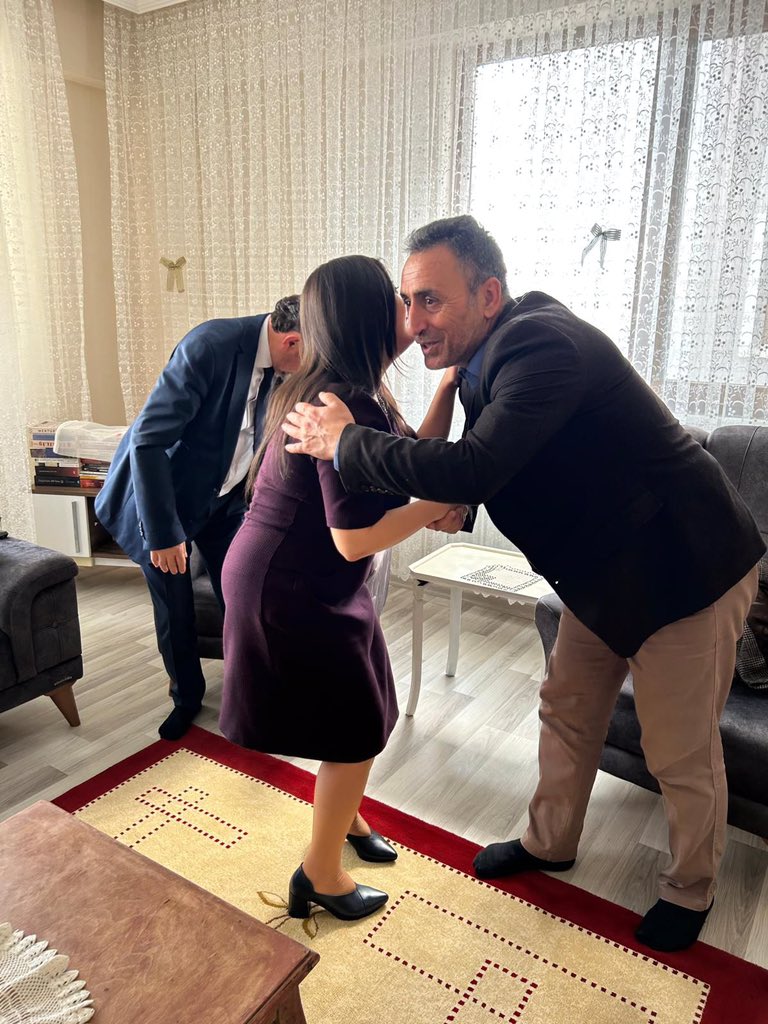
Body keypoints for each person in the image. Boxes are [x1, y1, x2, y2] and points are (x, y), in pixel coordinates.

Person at [281, 215, 765, 952]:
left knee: (678, 746)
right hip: (600, 570)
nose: (414, 321)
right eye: (408, 301)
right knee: (567, 707)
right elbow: (508, 461)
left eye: (431, 300)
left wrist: (347, 441)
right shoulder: (489, 355)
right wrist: (453, 496)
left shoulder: (541, 345)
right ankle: (549, 843)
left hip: (684, 569)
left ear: (488, 294)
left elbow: (477, 465)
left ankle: (689, 887)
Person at [219, 254, 462, 922]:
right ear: (367, 318)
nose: (409, 313)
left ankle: (344, 819)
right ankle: (319, 875)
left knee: (368, 697)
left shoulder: (353, 391)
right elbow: (354, 538)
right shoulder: (339, 403)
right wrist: (438, 503)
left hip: (300, 574)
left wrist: (449, 383)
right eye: (398, 301)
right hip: (290, 585)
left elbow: (411, 459)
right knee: (355, 727)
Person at [95, 298, 302, 741]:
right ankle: (186, 697)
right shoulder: (208, 347)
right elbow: (148, 441)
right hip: (165, 502)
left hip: (224, 501)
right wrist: (163, 534)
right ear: (292, 341)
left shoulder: (280, 368)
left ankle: (252, 689)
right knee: (176, 607)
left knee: (243, 591)